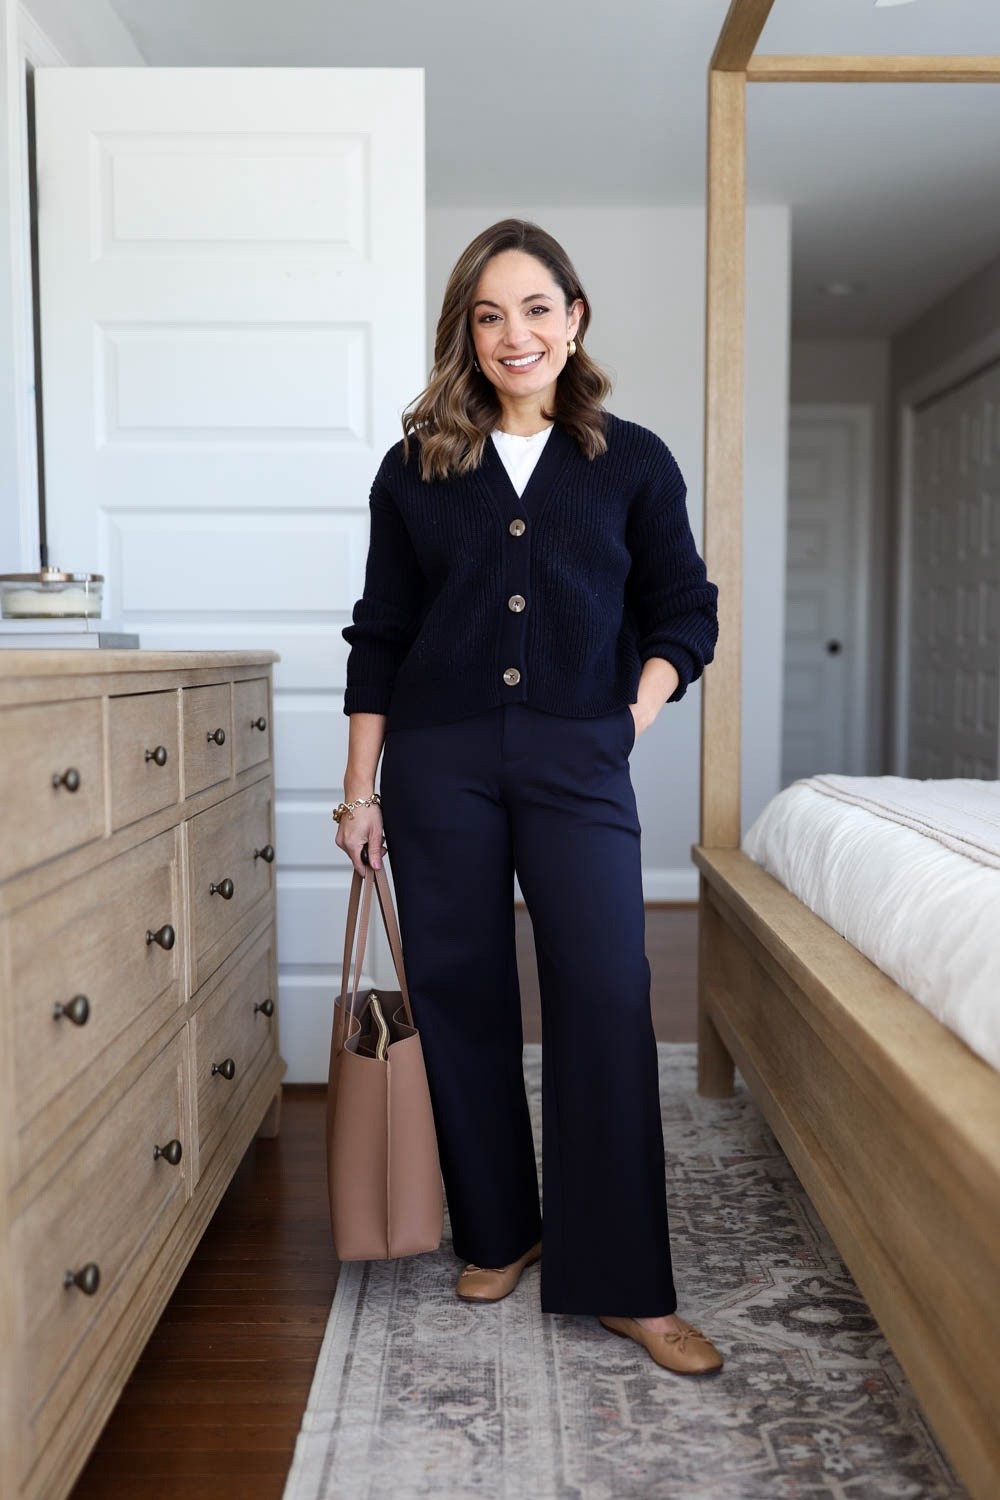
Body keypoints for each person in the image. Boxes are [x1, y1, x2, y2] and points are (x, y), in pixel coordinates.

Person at [334, 219, 723, 1375]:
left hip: (577, 757)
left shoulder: (632, 461)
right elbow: (381, 637)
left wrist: (630, 716)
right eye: (491, 314)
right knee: (458, 995)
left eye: (537, 309)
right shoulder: (415, 471)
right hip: (440, 760)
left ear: (575, 319)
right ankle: (502, 1230)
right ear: (468, 328)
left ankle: (625, 1283)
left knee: (605, 994)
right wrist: (360, 794)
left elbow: (683, 608)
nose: (516, 334)